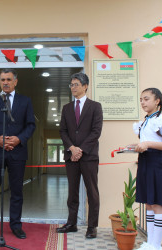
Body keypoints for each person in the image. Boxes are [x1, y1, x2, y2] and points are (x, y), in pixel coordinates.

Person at [0, 68, 36, 240]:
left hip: (17, 152)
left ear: (15, 81)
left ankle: (16, 225)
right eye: (3, 79)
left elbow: (31, 125)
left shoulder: (25, 101)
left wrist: (18, 139)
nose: (5, 82)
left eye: (9, 79)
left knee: (17, 191)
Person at [57, 72, 103, 239]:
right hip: (71, 157)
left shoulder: (95, 106)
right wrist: (71, 148)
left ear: (85, 86)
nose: (73, 87)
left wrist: (80, 149)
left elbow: (96, 132)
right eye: (71, 85)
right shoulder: (66, 108)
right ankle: (71, 223)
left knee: (92, 192)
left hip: (89, 156)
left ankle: (92, 227)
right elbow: (62, 130)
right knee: (72, 192)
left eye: (76, 84)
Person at [132, 88, 162, 250]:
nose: (142, 102)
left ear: (157, 101)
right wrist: (134, 146)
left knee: (157, 204)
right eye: (141, 99)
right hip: (144, 162)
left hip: (155, 164)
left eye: (146, 99)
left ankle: (156, 245)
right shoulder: (145, 122)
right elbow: (146, 141)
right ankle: (150, 242)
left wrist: (148, 144)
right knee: (149, 204)